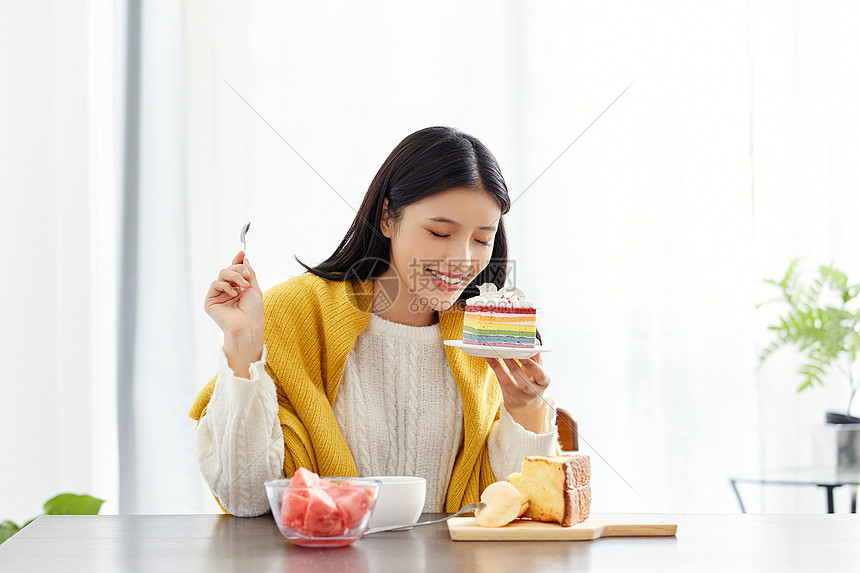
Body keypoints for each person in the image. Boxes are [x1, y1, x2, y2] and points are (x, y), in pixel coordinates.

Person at [189, 126, 559, 517]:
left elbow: (519, 509)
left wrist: (524, 409)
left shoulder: (482, 336)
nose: (463, 259)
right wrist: (243, 344)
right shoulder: (293, 313)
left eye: (482, 240)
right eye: (439, 232)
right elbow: (244, 498)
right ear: (387, 218)